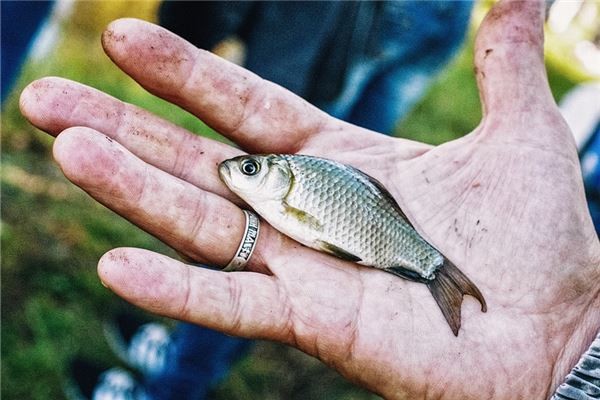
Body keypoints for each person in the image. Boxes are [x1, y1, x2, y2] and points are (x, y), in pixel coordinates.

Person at [18, 0, 599, 399]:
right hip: (433, 17)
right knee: (275, 232)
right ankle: (178, 362)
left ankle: (172, 383)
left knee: (261, 249)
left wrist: (569, 346)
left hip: (328, 21)